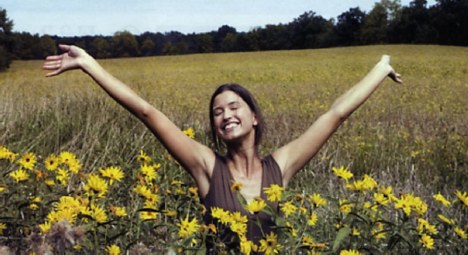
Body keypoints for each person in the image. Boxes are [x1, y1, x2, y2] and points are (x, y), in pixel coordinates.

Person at [42, 45, 402, 249]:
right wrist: (90, 65)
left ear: (254, 117)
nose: (226, 115)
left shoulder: (282, 166)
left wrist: (381, 68)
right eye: (217, 112)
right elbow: (147, 113)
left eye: (234, 107)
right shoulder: (206, 167)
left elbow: (335, 115)